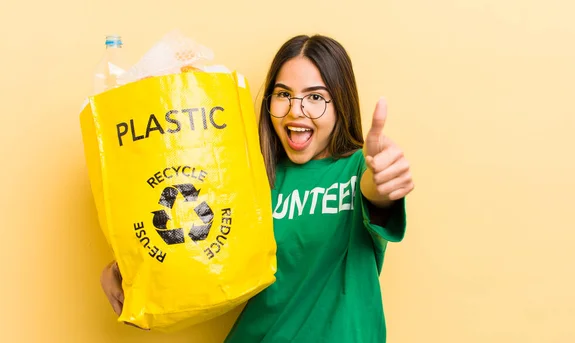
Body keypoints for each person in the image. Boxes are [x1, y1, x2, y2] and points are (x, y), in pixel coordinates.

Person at [100, 34, 414, 342]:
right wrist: (122, 269)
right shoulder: (249, 174)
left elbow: (375, 191)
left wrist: (384, 181)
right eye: (283, 94)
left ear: (340, 103)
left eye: (315, 97)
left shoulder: (358, 169)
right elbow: (192, 243)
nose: (295, 111)